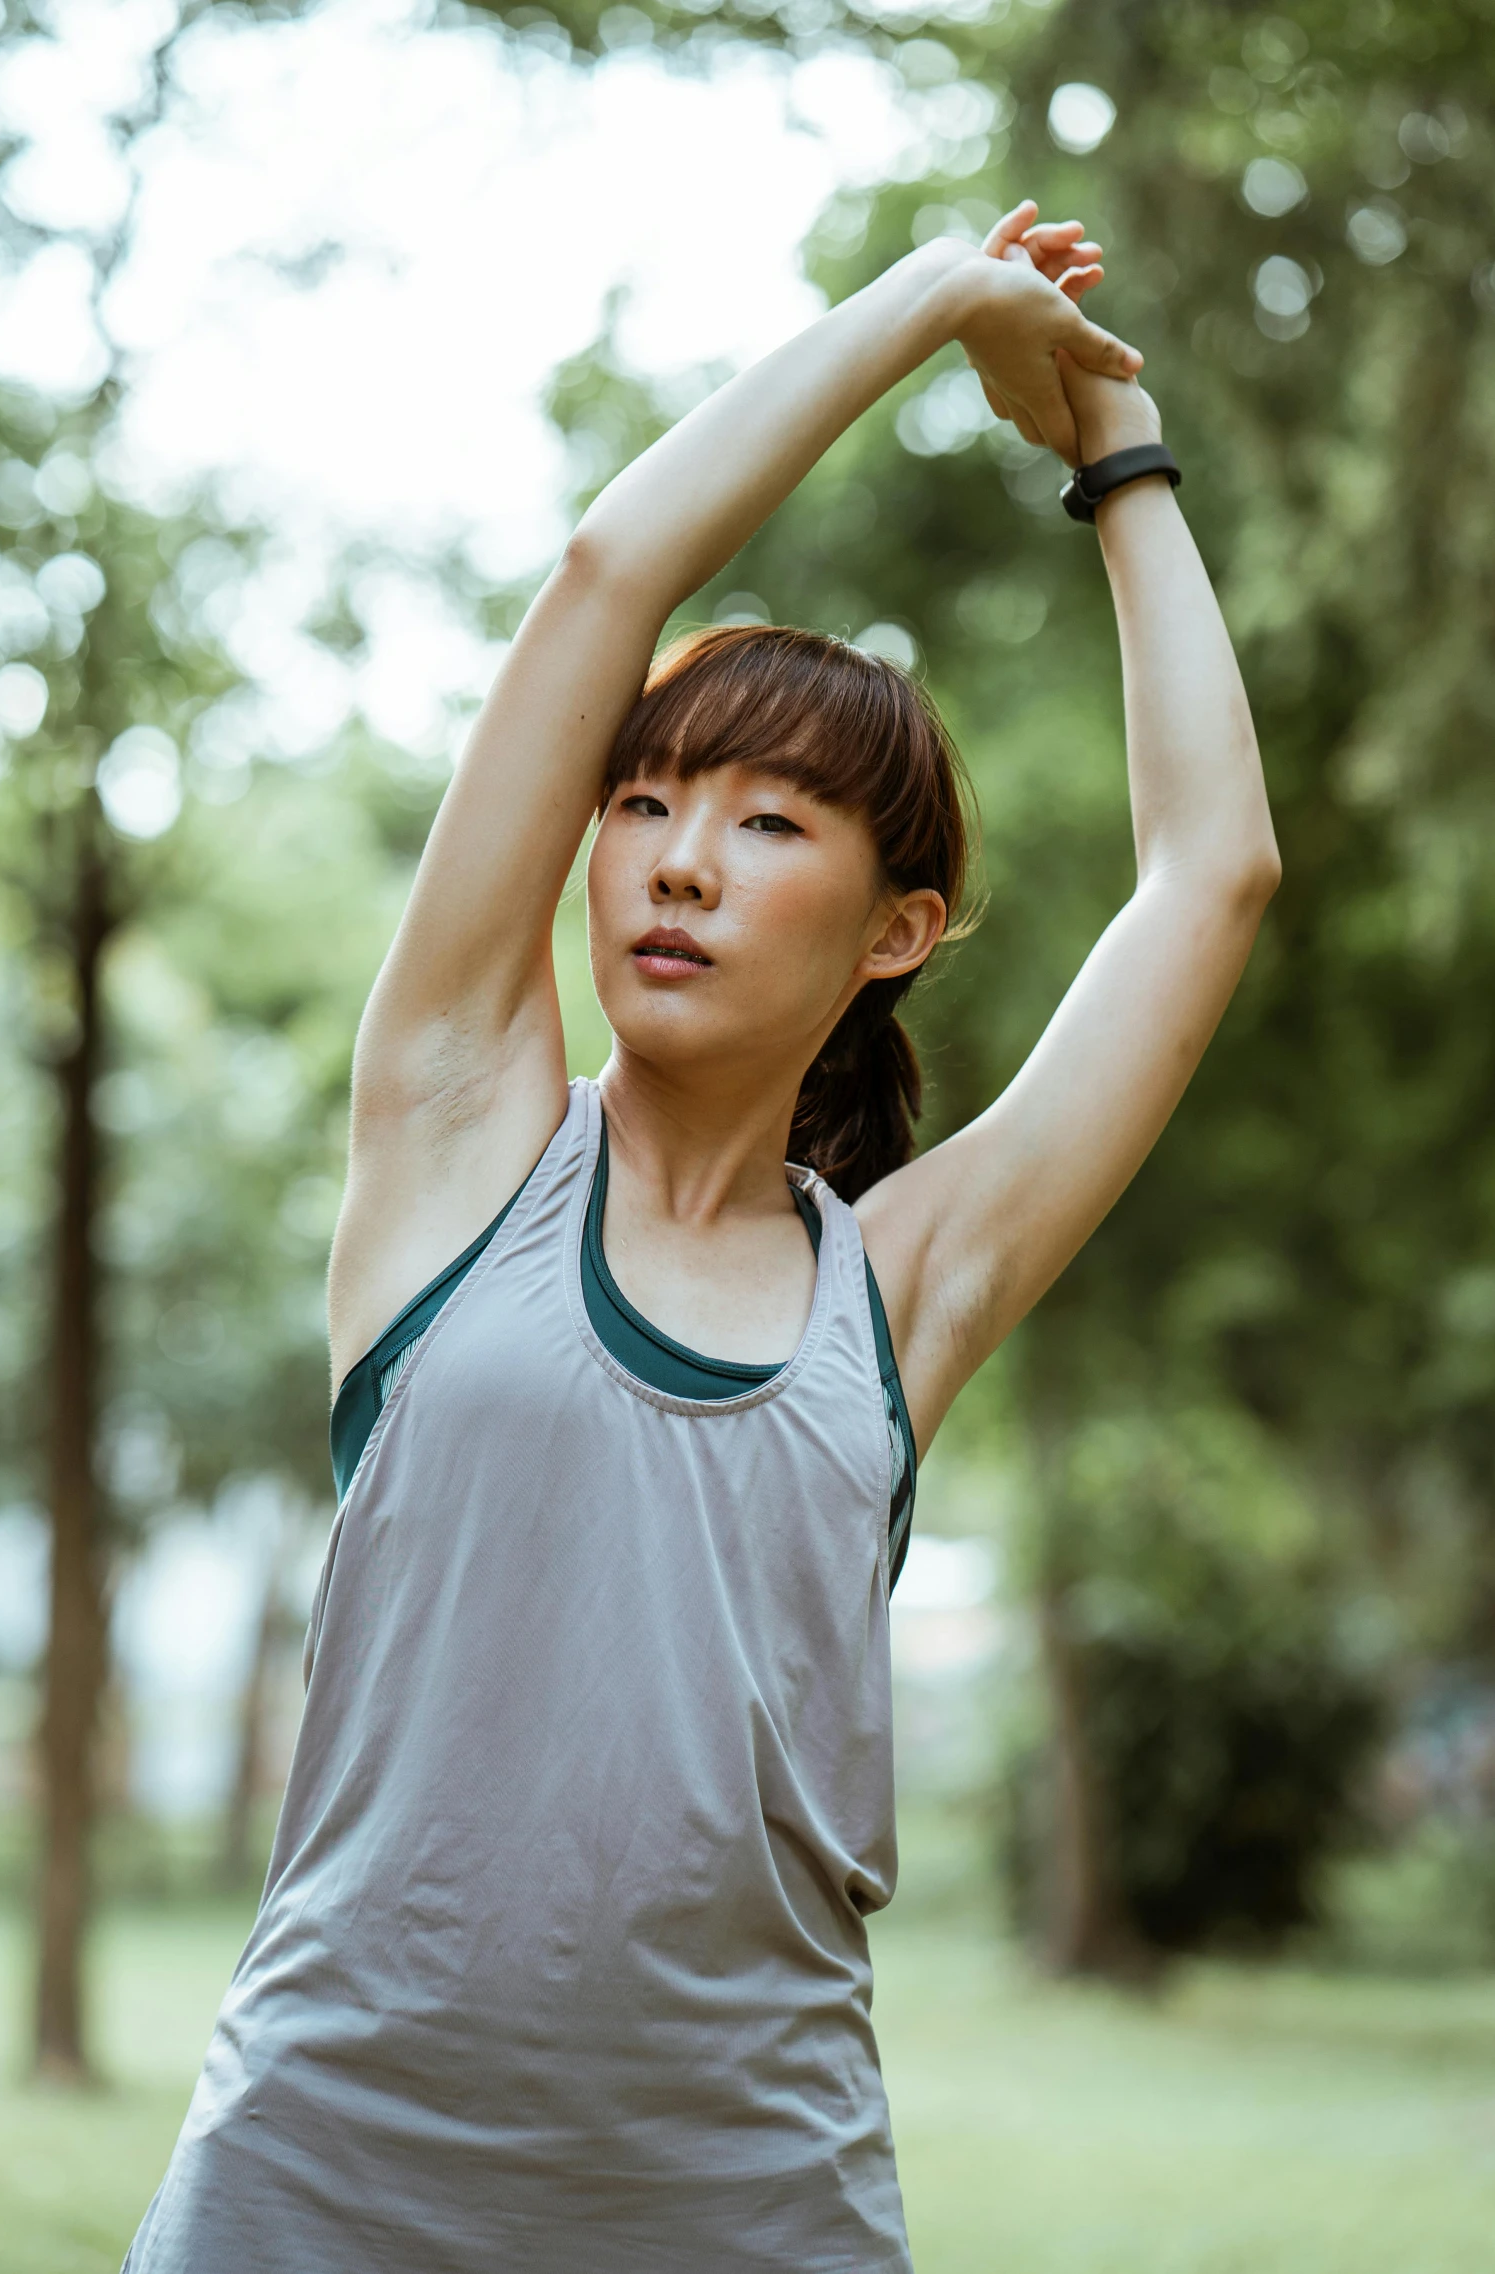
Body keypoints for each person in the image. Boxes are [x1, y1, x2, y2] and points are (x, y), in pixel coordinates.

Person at [123, 201, 1279, 2273]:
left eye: (766, 824)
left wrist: (1107, 444)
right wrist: (926, 303)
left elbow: (1209, 873)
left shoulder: (896, 1296)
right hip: (317, 2196)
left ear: (894, 931)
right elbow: (608, 573)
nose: (673, 861)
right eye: (645, 800)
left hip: (750, 2213)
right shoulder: (456, 1136)